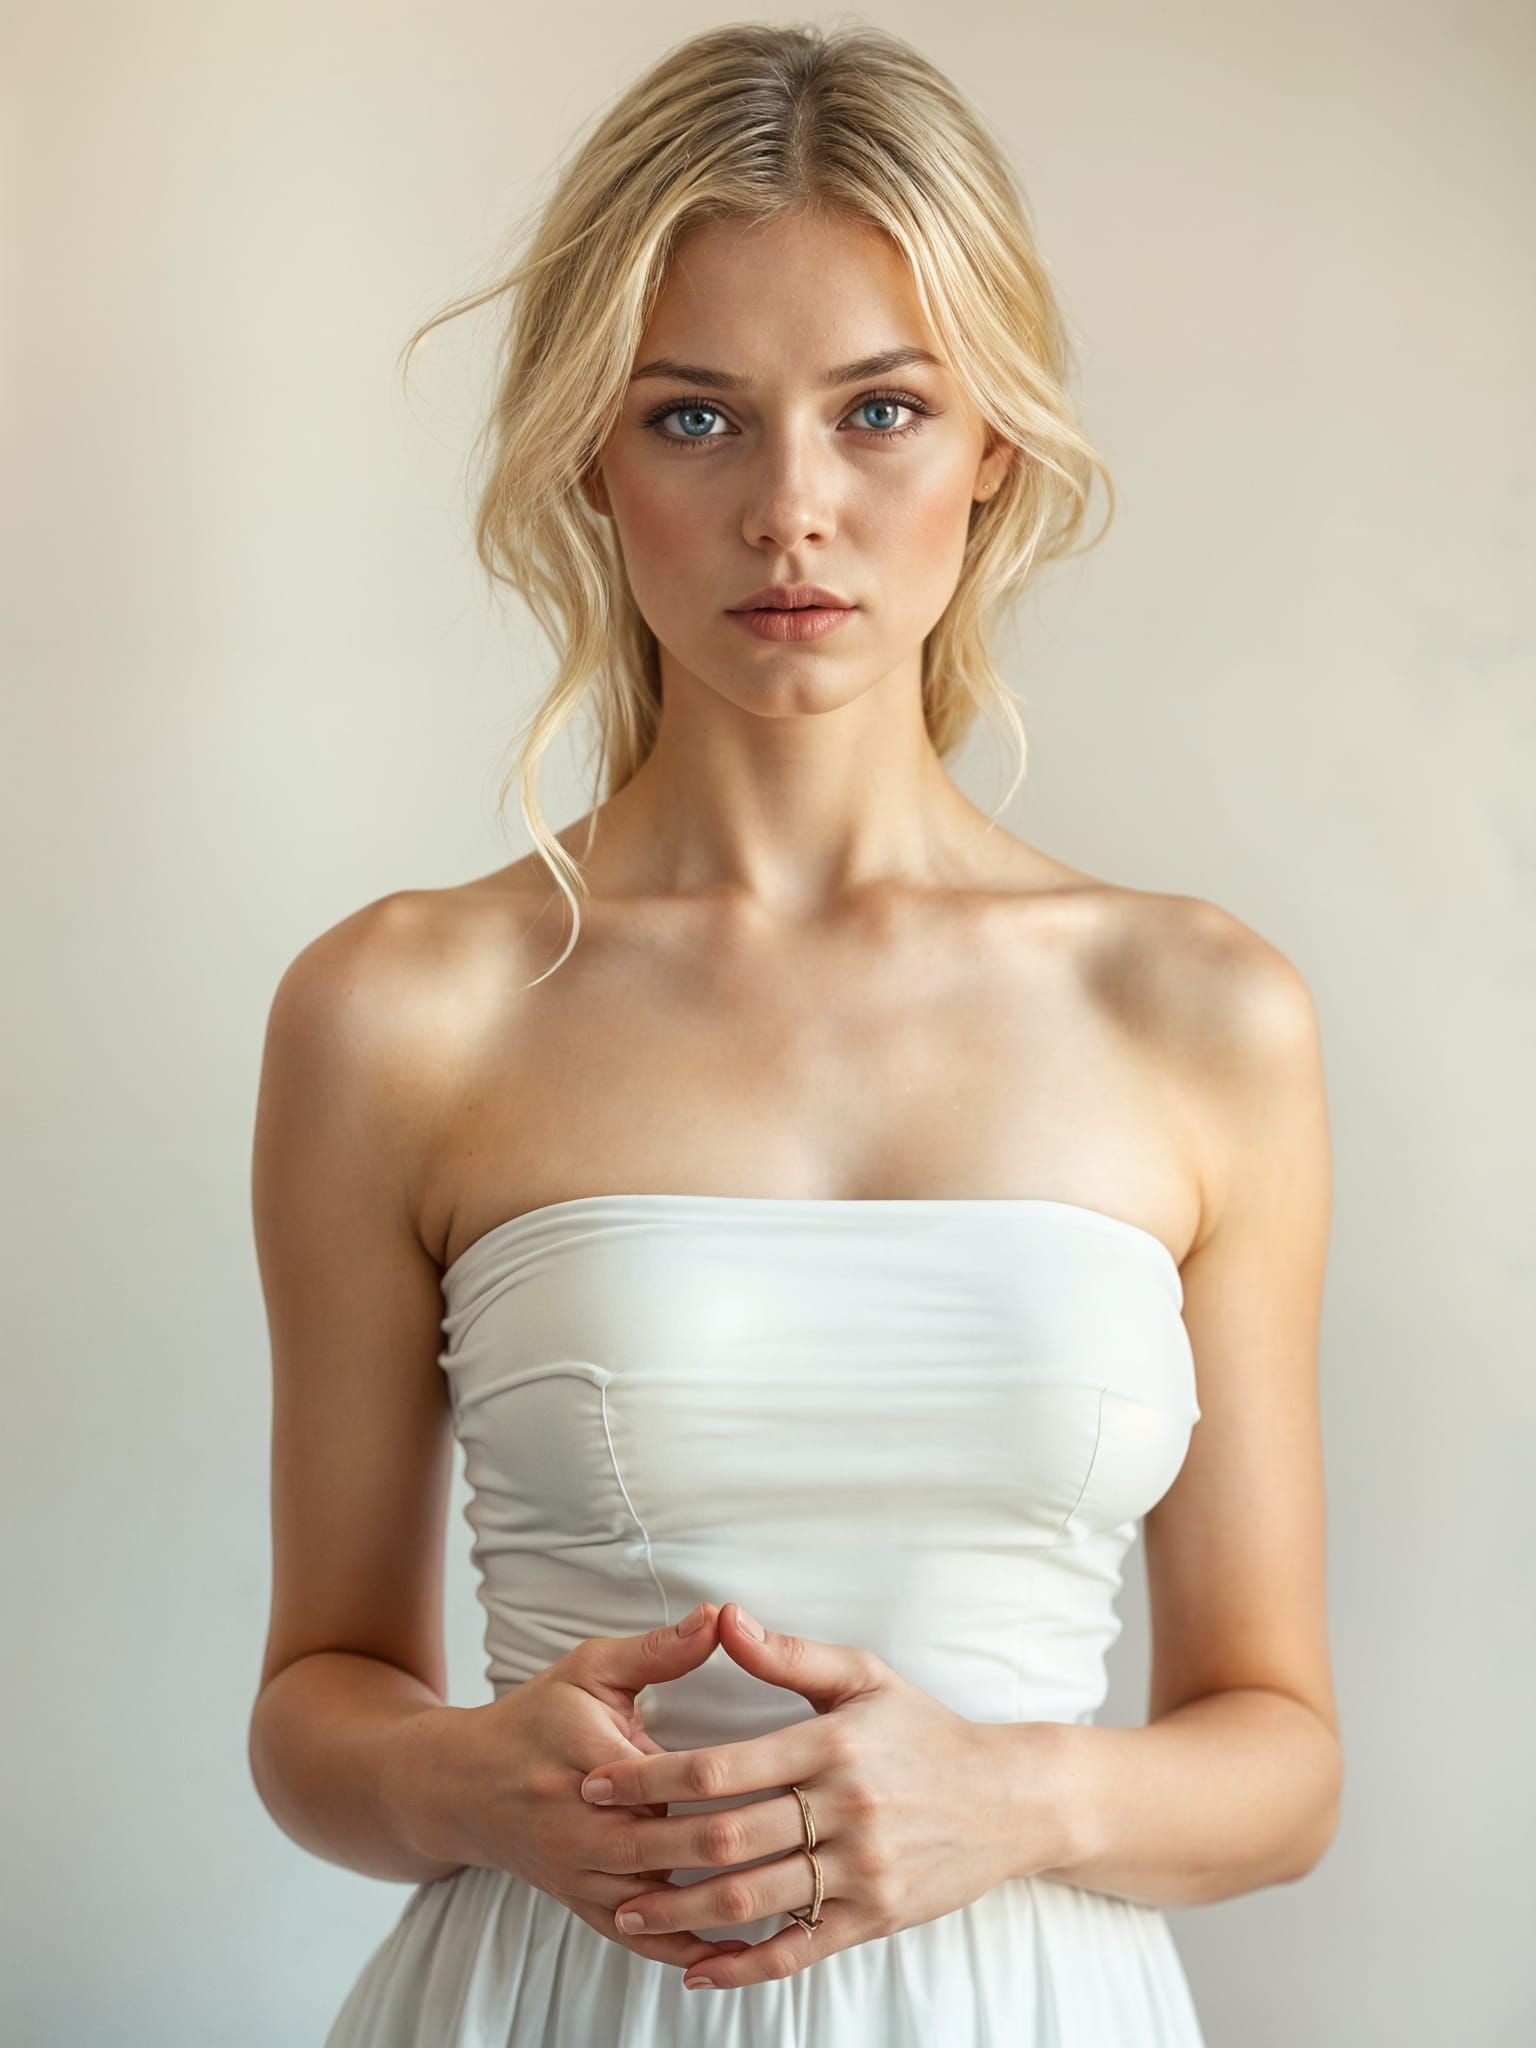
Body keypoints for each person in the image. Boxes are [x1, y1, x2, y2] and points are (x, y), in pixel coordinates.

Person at [248, 22, 1342, 2045]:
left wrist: (1011, 1799)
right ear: (591, 455)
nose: (791, 510)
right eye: (695, 418)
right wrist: (471, 1780)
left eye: (881, 411)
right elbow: (318, 1701)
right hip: (555, 2000)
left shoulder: (1200, 1012)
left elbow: (1280, 1756)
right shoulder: (400, 1007)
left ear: (992, 443)